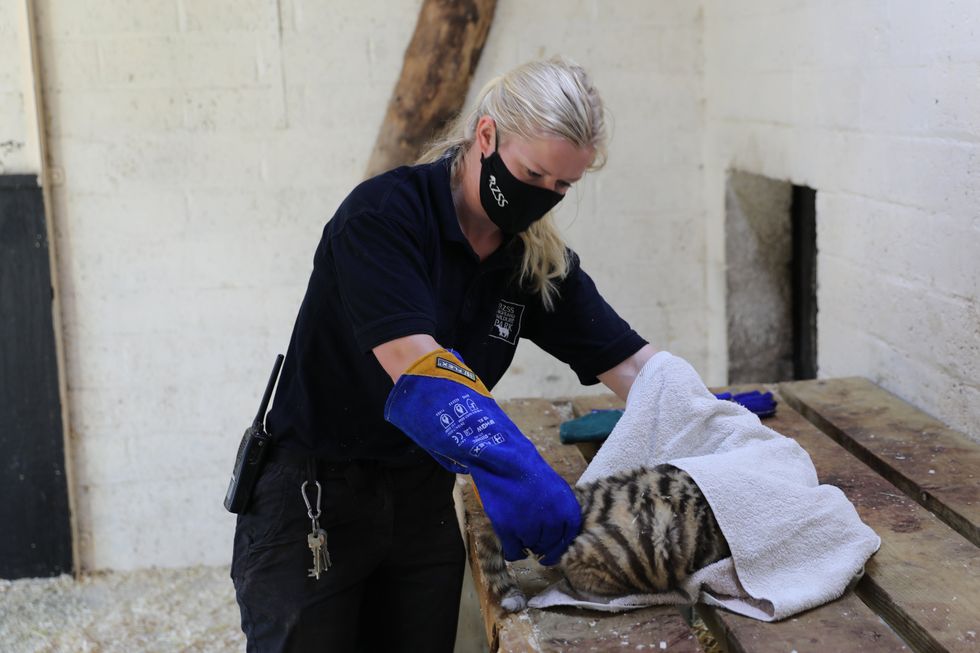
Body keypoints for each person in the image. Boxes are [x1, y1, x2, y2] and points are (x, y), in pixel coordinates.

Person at [231, 56, 657, 652]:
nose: (542, 197)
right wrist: (515, 466)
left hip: (420, 500)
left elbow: (633, 366)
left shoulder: (530, 258)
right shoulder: (383, 217)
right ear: (486, 136)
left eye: (562, 186)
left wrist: (711, 417)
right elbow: (416, 367)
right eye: (533, 173)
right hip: (315, 496)